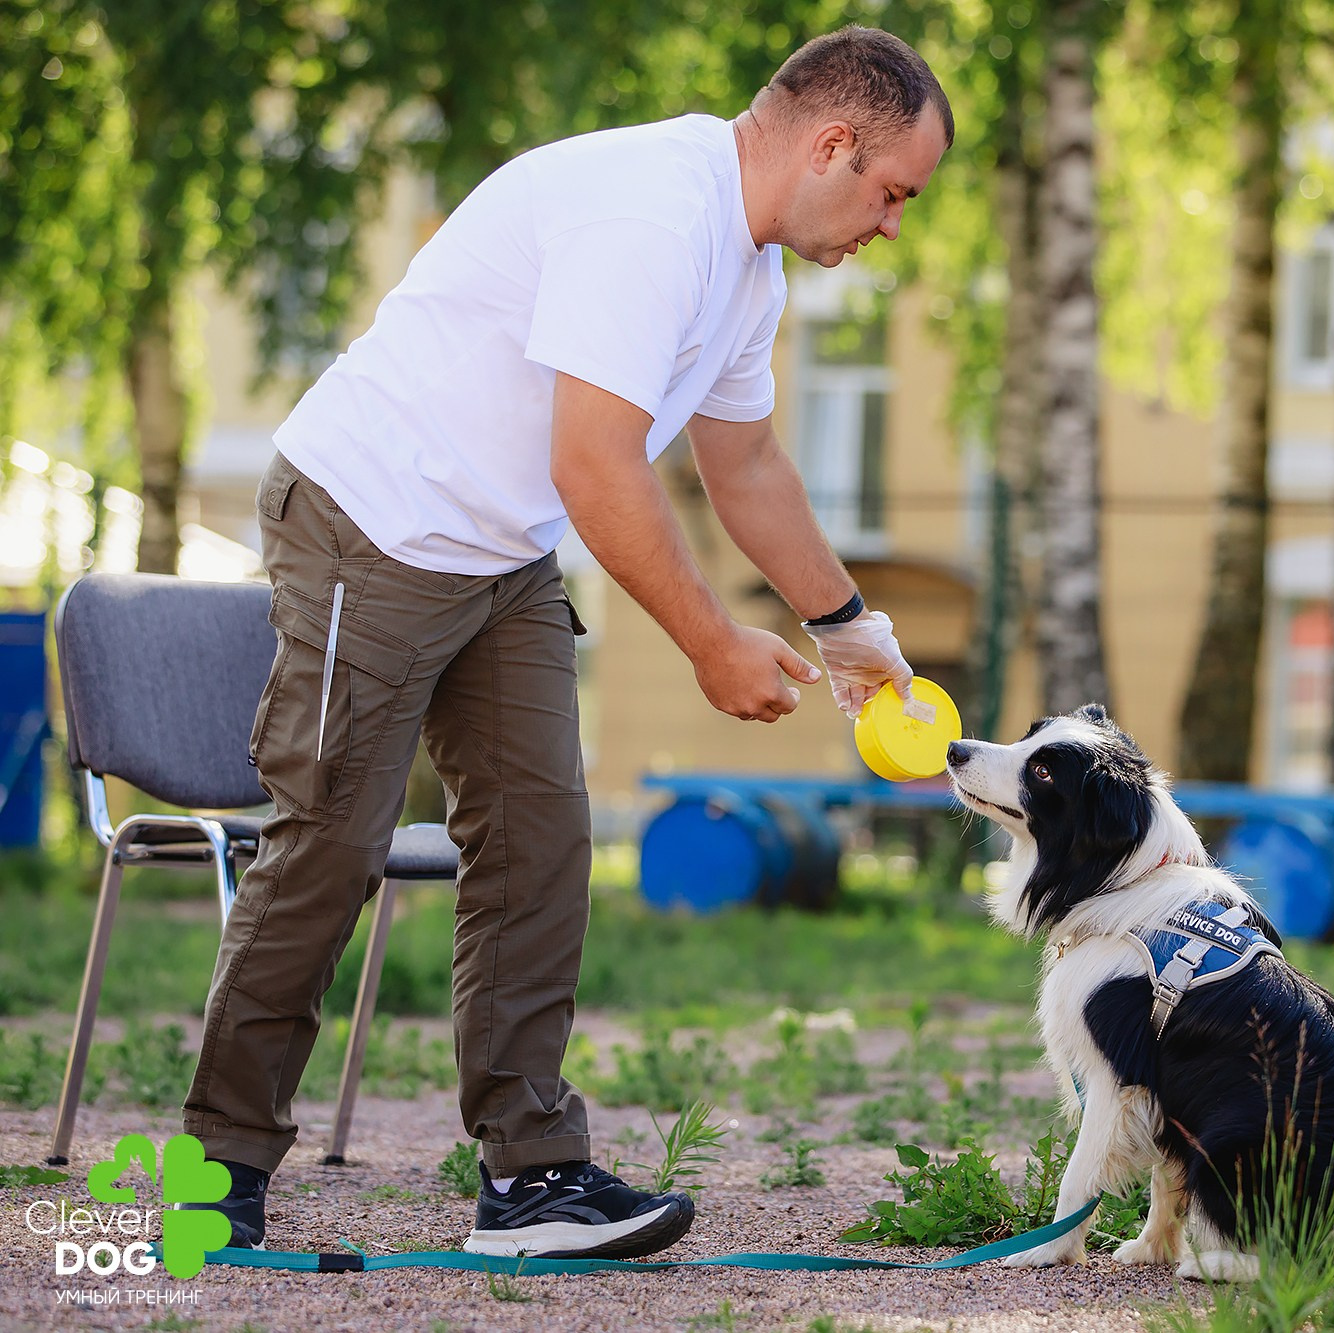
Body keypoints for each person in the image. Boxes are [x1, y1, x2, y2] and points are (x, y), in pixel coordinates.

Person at [176, 28, 952, 1258]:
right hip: (371, 516)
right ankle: (210, 1170)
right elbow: (593, 465)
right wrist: (709, 644)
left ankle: (531, 1177)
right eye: (893, 191)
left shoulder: (747, 273)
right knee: (330, 839)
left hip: (498, 551)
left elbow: (741, 462)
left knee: (540, 842)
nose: (891, 224)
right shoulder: (652, 215)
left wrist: (852, 632)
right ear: (832, 144)